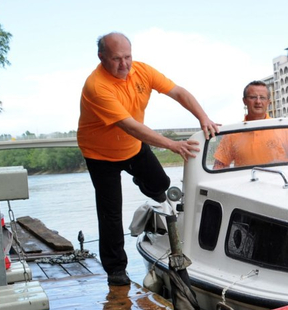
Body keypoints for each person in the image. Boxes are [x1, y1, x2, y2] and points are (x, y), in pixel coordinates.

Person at [77, 32, 219, 286]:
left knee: (160, 185)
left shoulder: (142, 71)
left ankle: (145, 185)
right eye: (116, 59)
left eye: (128, 57)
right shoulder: (96, 86)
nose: (124, 64)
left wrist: (203, 117)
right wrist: (172, 145)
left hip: (132, 147)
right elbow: (129, 125)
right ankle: (116, 270)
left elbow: (178, 92)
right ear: (101, 58)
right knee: (110, 212)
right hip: (100, 155)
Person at [212, 81, 288, 169]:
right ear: (244, 101)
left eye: (262, 97)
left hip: (278, 183)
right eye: (253, 97)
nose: (258, 102)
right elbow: (219, 166)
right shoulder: (231, 134)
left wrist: (281, 163)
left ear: (268, 102)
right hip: (244, 186)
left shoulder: (283, 128)